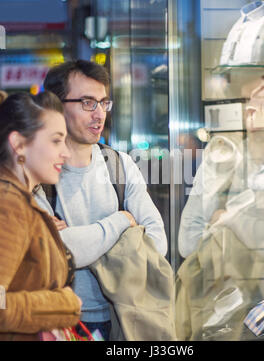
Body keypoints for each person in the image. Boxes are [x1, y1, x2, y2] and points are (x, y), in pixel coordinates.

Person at [35, 60, 168, 340]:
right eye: (87, 103)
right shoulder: (40, 173)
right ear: (56, 107)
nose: (99, 115)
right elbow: (61, 254)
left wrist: (82, 240)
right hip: (62, 321)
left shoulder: (119, 165)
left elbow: (157, 242)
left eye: (103, 103)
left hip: (125, 317)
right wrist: (122, 223)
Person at [0, 92, 82, 341]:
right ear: (19, 144)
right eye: (56, 141)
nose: (66, 152)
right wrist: (63, 305)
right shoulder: (9, 202)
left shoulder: (19, 197)